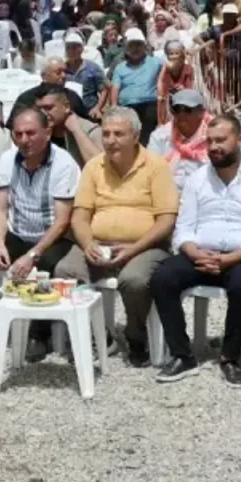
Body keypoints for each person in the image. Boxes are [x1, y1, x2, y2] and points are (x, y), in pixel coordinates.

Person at [149, 115, 241, 385]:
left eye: (221, 140)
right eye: (210, 141)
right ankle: (182, 355)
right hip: (200, 254)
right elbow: (183, 229)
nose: (214, 147)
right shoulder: (197, 180)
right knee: (162, 278)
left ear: (240, 140)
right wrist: (194, 252)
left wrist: (229, 259)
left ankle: (230, 357)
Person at [55, 107, 179, 366]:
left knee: (134, 280)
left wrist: (133, 249)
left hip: (145, 246)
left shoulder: (157, 166)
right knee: (65, 270)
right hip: (99, 244)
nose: (110, 140)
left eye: (118, 134)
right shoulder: (93, 167)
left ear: (136, 136)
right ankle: (97, 334)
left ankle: (136, 335)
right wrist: (88, 244)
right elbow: (80, 216)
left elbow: (166, 220)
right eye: (106, 134)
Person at [0, 107, 80, 360]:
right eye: (18, 134)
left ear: (47, 133)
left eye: (30, 133)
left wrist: (32, 255)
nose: (24, 140)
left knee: (46, 264)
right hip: (19, 232)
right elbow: (0, 207)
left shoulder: (63, 164)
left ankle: (39, 335)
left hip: (53, 237)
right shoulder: (8, 160)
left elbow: (62, 221)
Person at [147, 89, 212, 190]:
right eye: (176, 109)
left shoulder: (214, 135)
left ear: (201, 112)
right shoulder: (160, 136)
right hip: (166, 191)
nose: (181, 114)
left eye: (187, 109)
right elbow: (150, 169)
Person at [108, 28, 163, 144]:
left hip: (149, 105)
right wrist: (114, 107)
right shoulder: (120, 67)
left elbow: (168, 77)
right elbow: (115, 88)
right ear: (126, 48)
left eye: (138, 45)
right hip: (127, 106)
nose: (135, 49)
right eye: (131, 45)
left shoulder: (156, 63)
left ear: (144, 46)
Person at [36, 84, 103, 167]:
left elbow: (99, 167)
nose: (43, 113)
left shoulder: (91, 130)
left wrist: (76, 130)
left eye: (48, 108)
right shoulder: (38, 131)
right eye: (39, 109)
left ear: (66, 106)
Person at [62, 31, 107, 118]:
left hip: (89, 113)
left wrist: (98, 108)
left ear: (81, 49)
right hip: (69, 113)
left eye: (74, 48)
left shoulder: (92, 68)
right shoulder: (62, 69)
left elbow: (104, 89)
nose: (71, 51)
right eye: (68, 48)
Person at [154, 40, 195, 127]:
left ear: (182, 54)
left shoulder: (188, 68)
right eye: (171, 54)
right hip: (168, 99)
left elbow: (190, 86)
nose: (174, 56)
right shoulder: (166, 67)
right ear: (167, 55)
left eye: (177, 53)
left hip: (183, 101)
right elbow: (160, 81)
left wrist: (184, 89)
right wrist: (160, 94)